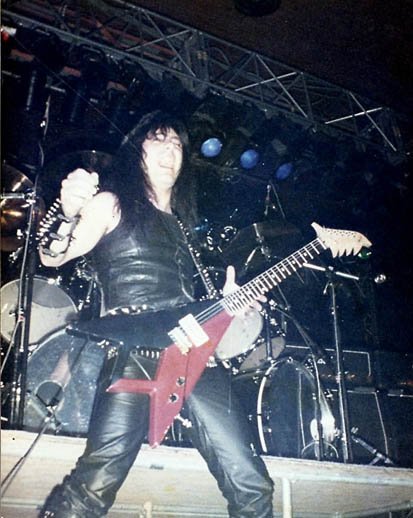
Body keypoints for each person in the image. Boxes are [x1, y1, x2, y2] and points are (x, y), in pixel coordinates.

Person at [38, 110, 274, 517]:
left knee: (251, 482)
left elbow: (182, 301)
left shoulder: (183, 226)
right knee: (92, 488)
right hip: (136, 349)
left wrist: (227, 303)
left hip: (194, 352)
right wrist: (67, 210)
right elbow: (52, 254)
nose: (170, 150)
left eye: (177, 144)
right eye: (158, 140)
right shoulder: (112, 203)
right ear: (137, 149)